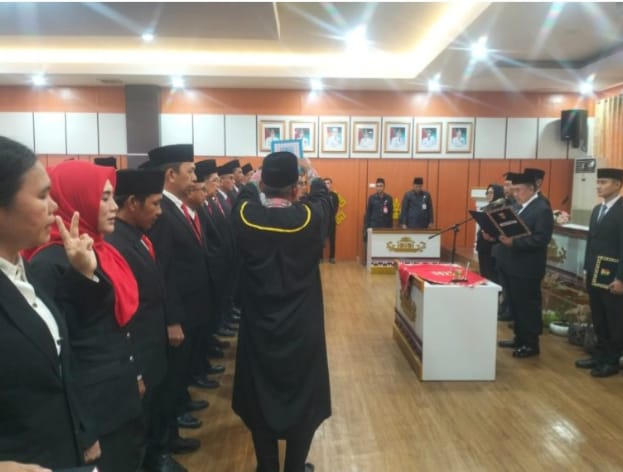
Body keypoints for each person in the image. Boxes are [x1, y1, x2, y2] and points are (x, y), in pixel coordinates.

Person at [28, 159, 144, 472]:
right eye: (103, 198)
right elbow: (61, 355)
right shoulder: (49, 263)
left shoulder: (99, 248)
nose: (114, 207)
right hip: (95, 409)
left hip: (119, 395)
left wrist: (134, 373)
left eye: (112, 197)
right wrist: (85, 431)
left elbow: (116, 326)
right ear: (76, 201)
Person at [0, 136, 100, 469]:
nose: (55, 207)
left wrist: (82, 432)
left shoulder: (22, 271)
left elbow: (58, 361)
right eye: (43, 196)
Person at [231, 152, 332, 472]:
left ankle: (267, 466)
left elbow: (245, 195)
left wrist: (256, 178)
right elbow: (324, 197)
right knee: (303, 397)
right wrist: (311, 171)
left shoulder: (245, 216)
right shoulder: (310, 219)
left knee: (259, 396)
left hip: (259, 326)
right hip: (302, 326)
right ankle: (295, 467)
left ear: (262, 185)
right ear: (296, 189)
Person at [105, 169, 189, 472]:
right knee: (138, 424)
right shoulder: (116, 244)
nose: (159, 211)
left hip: (152, 346)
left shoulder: (137, 236)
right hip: (139, 351)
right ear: (132, 203)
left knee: (153, 410)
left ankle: (157, 455)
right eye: (154, 204)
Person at [145, 144, 210, 454]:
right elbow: (163, 270)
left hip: (191, 308)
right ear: (171, 174)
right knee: (169, 383)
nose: (195, 177)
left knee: (179, 376)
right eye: (190, 171)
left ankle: (175, 419)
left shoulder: (177, 208)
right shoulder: (162, 213)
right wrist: (172, 319)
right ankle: (164, 445)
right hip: (178, 313)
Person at [495, 172, 553, 358]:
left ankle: (531, 343)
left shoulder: (541, 209)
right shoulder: (518, 207)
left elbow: (541, 239)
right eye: (513, 190)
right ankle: (519, 338)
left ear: (531, 188)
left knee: (527, 306)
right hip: (511, 264)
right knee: (515, 304)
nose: (515, 194)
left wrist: (515, 243)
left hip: (528, 267)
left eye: (518, 190)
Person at [576, 168, 623, 377]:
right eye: (598, 182)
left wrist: (621, 278)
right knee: (599, 317)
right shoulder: (597, 210)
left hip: (613, 276)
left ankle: (611, 361)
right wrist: (586, 268)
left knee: (614, 319)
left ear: (617, 185)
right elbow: (591, 242)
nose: (599, 186)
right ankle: (599, 355)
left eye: (604, 182)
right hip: (595, 272)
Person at [476, 184, 504, 281]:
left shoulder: (502, 209)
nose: (488, 195)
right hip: (483, 246)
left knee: (492, 276)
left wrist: (493, 238)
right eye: (487, 192)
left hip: (494, 247)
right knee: (483, 274)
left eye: (491, 192)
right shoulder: (487, 207)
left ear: (498, 193)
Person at [323, 177, 339, 264]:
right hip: (322, 220)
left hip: (332, 220)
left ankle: (332, 257)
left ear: (331, 184)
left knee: (332, 239)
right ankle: (320, 257)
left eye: (328, 183)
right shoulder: (321, 196)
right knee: (321, 239)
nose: (327, 185)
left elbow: (336, 208)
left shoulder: (334, 195)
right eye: (325, 183)